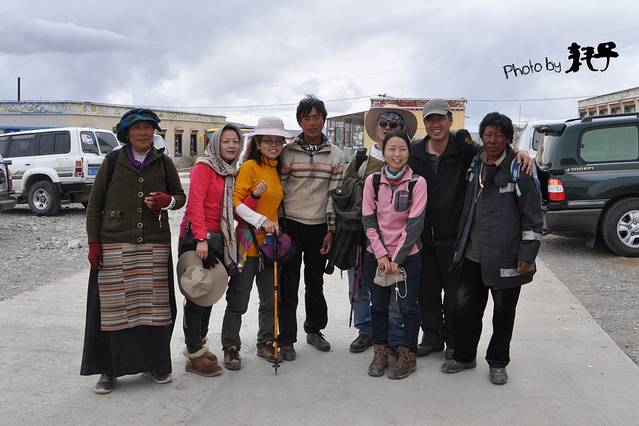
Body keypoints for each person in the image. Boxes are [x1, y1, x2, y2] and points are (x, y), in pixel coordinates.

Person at [409, 99, 533, 359]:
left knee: (455, 299)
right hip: (423, 238)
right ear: (425, 123)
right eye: (430, 119)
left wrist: (521, 153)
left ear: (450, 120)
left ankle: (454, 342)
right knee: (426, 294)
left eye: (440, 118)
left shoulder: (465, 149)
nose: (436, 124)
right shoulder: (415, 151)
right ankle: (432, 337)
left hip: (456, 239)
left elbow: (496, 149)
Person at [81, 108, 186, 394]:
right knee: (113, 309)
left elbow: (180, 197)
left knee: (154, 310)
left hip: (154, 245)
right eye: (137, 127)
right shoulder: (113, 161)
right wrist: (93, 242)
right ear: (127, 133)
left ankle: (155, 364)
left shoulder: (163, 162)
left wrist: (167, 201)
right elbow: (95, 204)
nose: (143, 132)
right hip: (114, 244)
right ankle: (109, 369)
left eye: (148, 127)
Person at [441, 112, 542, 385]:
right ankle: (464, 356)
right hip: (472, 254)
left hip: (507, 257)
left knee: (503, 314)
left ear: (508, 139)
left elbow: (533, 216)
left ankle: (498, 362)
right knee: (466, 310)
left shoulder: (519, 168)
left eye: (499, 135)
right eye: (488, 134)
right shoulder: (475, 162)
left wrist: (527, 253)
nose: (492, 140)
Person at [341, 105, 418, 354]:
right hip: (361, 234)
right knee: (360, 287)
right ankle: (366, 330)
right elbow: (343, 190)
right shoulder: (361, 158)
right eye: (383, 123)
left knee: (394, 289)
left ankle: (393, 336)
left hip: (398, 240)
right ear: (375, 128)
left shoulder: (410, 158)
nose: (387, 127)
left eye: (393, 124)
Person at [221, 117, 293, 370]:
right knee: (238, 300)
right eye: (268, 140)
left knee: (270, 299)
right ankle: (231, 347)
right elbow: (235, 204)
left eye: (278, 141)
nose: (274, 145)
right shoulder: (250, 167)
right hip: (247, 244)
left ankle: (266, 342)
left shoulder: (276, 169)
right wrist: (262, 220)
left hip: (271, 246)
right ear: (258, 143)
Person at [278, 95, 344, 360]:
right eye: (307, 118)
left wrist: (330, 230)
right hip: (291, 226)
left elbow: (333, 195)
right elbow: (280, 191)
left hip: (319, 227)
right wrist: (280, 225)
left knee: (315, 283)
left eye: (317, 117)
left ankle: (314, 330)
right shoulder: (288, 152)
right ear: (299, 121)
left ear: (324, 120)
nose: (312, 122)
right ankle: (286, 339)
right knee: (288, 284)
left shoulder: (335, 154)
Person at [177, 123, 244, 377]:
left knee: (208, 293)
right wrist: (201, 239)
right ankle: (194, 354)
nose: (231, 146)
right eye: (226, 141)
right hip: (198, 237)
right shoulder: (204, 167)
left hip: (218, 239)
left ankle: (200, 346)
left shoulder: (230, 171)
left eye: (235, 141)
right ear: (216, 143)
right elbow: (195, 204)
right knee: (197, 294)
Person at [362, 130, 426, 379]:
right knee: (378, 306)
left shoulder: (417, 183)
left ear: (409, 152)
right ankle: (380, 350)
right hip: (376, 256)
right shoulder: (373, 181)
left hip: (408, 256)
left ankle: (408, 354)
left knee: (408, 307)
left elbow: (414, 225)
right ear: (383, 150)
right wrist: (381, 255)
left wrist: (396, 259)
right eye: (391, 149)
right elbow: (368, 219)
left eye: (402, 149)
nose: (397, 154)